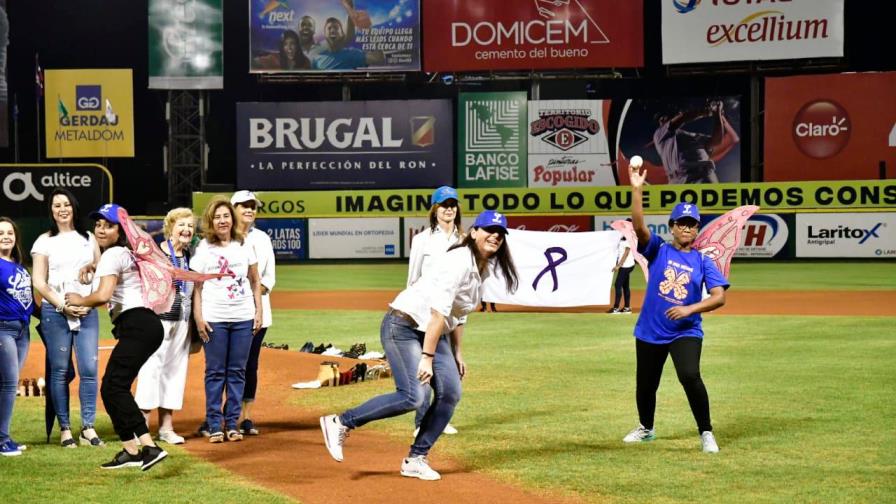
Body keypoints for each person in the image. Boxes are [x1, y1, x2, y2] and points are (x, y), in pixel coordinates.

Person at [320, 210, 519, 481]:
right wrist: (427, 357)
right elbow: (438, 313)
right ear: (474, 232)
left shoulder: (483, 268)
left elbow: (458, 315)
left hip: (433, 331)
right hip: (403, 325)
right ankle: (341, 422)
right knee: (414, 396)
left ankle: (416, 459)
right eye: (489, 230)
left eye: (500, 233)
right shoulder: (459, 261)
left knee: (450, 393)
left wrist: (458, 353)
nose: (495, 236)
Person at [623, 164, 728, 453]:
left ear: (697, 229)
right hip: (650, 330)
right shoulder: (658, 249)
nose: (686, 228)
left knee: (690, 376)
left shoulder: (704, 261)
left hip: (685, 331)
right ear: (671, 227)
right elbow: (639, 228)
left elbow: (719, 297)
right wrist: (636, 190)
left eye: (691, 224)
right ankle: (646, 428)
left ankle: (706, 432)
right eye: (681, 223)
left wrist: (689, 309)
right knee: (646, 384)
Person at [64, 204, 168, 470]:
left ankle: (149, 447)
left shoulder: (113, 255)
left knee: (114, 386)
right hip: (144, 325)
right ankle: (130, 450)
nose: (101, 229)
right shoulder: (124, 253)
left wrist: (79, 299)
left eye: (108, 225)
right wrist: (94, 265)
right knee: (111, 387)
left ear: (120, 231)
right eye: (98, 224)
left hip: (138, 325)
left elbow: (103, 295)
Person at [30, 188, 103, 448]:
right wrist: (63, 306)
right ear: (51, 211)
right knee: (59, 371)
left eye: (66, 204)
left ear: (74, 207)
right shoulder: (44, 241)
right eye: (57, 205)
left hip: (86, 311)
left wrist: (89, 301)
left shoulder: (88, 238)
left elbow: (101, 272)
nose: (62, 209)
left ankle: (88, 427)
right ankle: (65, 429)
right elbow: (39, 281)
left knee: (89, 370)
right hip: (56, 312)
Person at [192, 196, 262, 444]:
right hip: (215, 318)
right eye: (217, 217)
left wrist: (259, 311)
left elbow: (255, 281)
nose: (222, 221)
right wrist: (199, 317)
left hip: (243, 316)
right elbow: (197, 286)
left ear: (232, 219)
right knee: (215, 372)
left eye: (226, 216)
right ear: (211, 221)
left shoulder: (244, 244)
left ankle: (232, 423)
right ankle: (214, 424)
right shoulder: (204, 248)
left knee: (237, 371)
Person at [134, 208, 196, 445]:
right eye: (182, 225)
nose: (186, 230)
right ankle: (141, 428)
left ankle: (166, 428)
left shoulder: (190, 255)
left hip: (182, 320)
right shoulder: (156, 253)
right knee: (150, 370)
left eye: (190, 226)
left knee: (174, 372)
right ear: (170, 227)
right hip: (157, 320)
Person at [406, 186, 462, 438]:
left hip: (448, 314)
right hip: (424, 314)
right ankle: (421, 422)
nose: (449, 209)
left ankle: (440, 419)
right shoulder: (422, 240)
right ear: (435, 209)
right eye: (444, 205)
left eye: (452, 204)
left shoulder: (463, 240)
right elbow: (412, 278)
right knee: (425, 369)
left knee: (446, 371)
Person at [230, 191, 275, 437]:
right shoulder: (223, 237)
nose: (249, 210)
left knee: (249, 365)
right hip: (226, 311)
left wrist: (248, 296)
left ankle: (246, 416)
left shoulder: (262, 239)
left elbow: (268, 279)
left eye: (253, 206)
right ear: (233, 208)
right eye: (244, 205)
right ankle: (222, 415)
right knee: (224, 365)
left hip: (257, 312)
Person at [0, 217, 32, 456]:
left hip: (23, 331)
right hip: (3, 329)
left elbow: (25, 299)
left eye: (9, 233)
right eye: (0, 233)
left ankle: (4, 435)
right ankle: (2, 439)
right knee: (9, 384)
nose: (5, 237)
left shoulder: (19, 265)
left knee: (6, 383)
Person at [652, 100, 739, 184]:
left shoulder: (692, 136)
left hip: (702, 177)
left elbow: (716, 141)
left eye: (665, 116)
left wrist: (717, 114)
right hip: (677, 181)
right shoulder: (659, 134)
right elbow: (683, 117)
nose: (662, 119)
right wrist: (707, 111)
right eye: (660, 119)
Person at [311, 12, 383, 70]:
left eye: (336, 28)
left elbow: (378, 59)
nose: (332, 30)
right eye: (329, 28)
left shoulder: (352, 54)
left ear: (342, 33)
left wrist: (369, 30)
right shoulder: (317, 59)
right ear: (324, 33)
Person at [609, 221, 635, 314]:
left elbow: (626, 253)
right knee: (625, 286)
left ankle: (616, 308)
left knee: (617, 285)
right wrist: (613, 225)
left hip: (626, 265)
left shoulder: (629, 237)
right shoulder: (624, 235)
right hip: (627, 265)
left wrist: (618, 265)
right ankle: (627, 308)